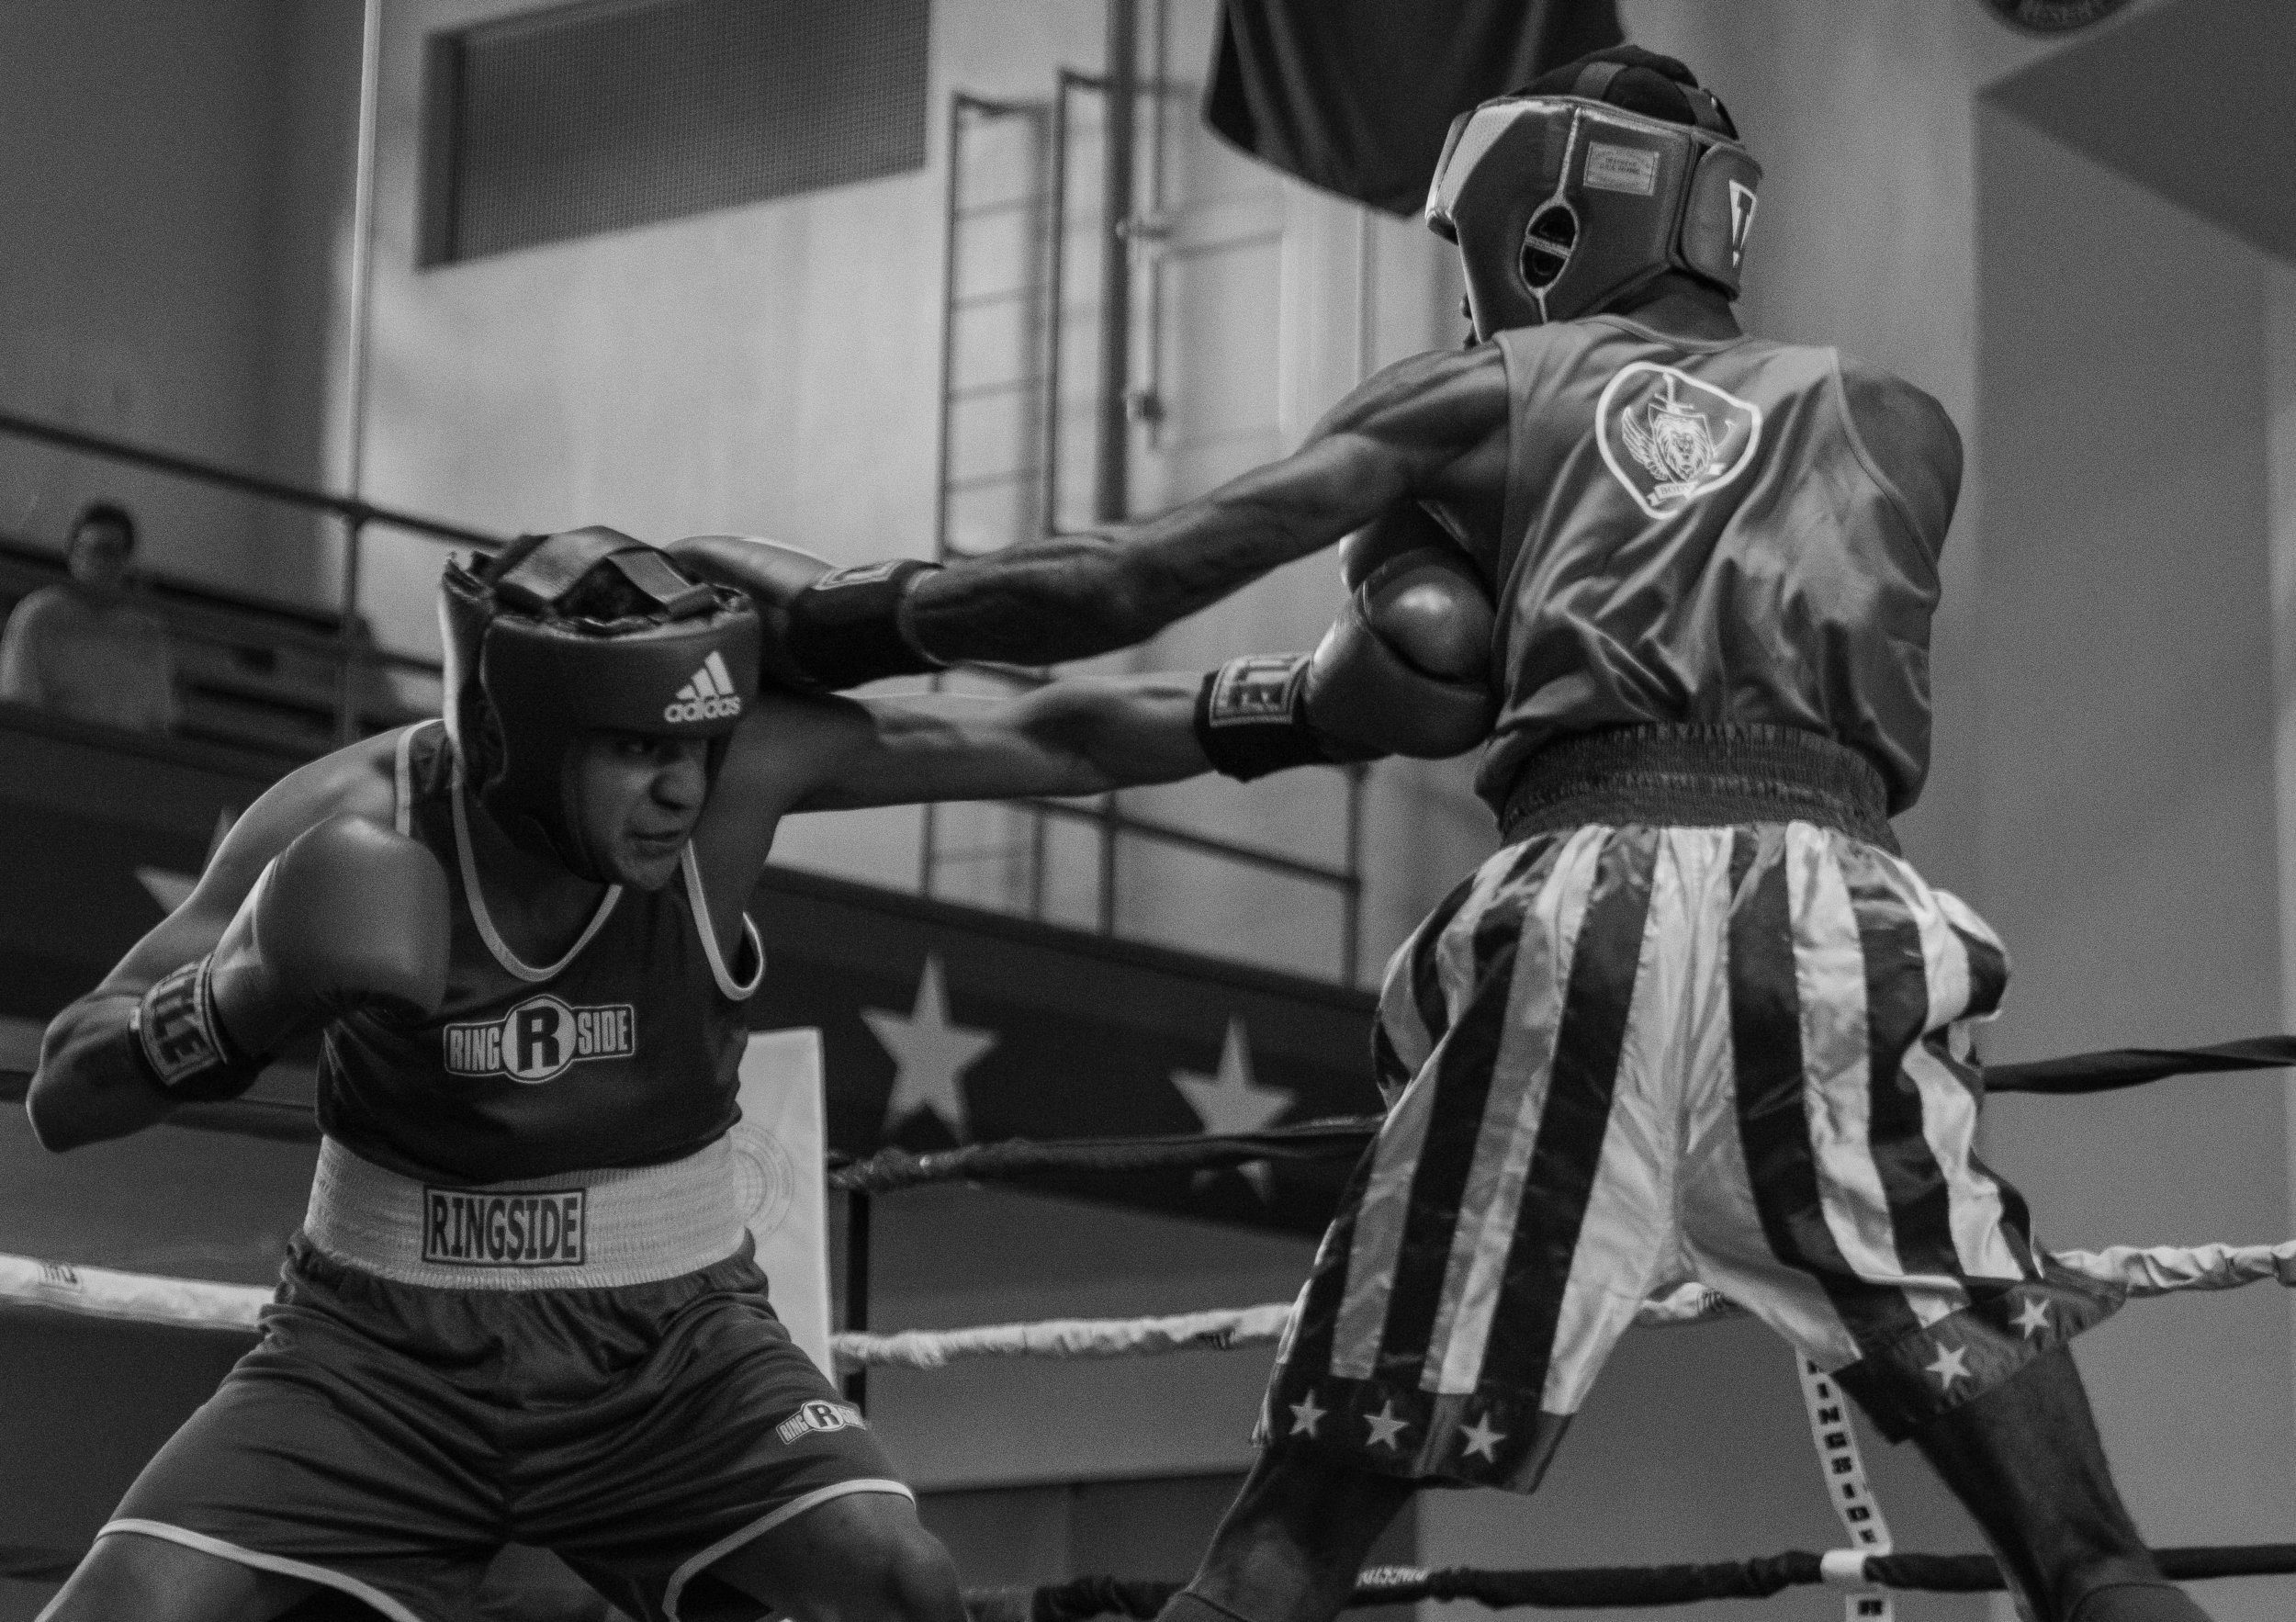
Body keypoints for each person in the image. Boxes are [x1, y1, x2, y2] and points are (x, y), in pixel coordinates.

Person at [699, 46, 2205, 1622]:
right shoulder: (1905, 426)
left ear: (1538, 215)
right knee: (2086, 1555)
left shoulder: (1475, 402)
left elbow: (1113, 589)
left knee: (1283, 1545)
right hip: (1843, 933)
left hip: (1587, 906)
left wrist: (831, 623)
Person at [23, 521, 1487, 1622]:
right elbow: (67, 1091)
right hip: (372, 1356)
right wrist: (243, 996)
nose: (680, 784)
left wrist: (1300, 702)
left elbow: (1041, 736)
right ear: (519, 745)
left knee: (901, 1576)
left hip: (676, 1354)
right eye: (635, 750)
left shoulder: (730, 784)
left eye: (698, 744)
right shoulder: (347, 813)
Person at [0, 501, 177, 733]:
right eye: (91, 549)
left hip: (121, 757)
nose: (99, 561)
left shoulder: (145, 630)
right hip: (51, 750)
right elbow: (18, 699)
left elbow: (158, 718)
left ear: (127, 560)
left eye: (111, 552)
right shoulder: (39, 614)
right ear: (72, 552)